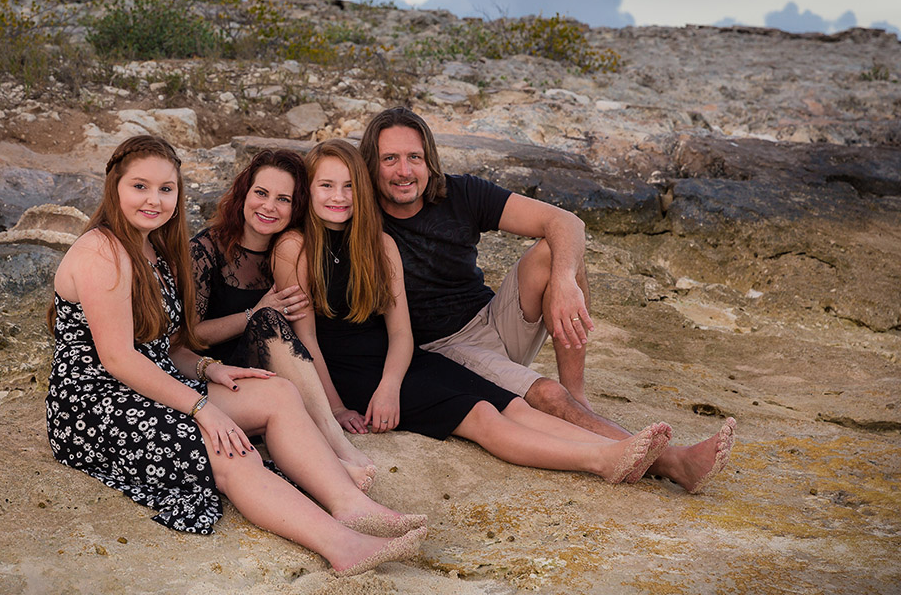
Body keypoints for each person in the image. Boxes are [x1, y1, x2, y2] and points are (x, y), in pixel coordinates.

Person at [45, 135, 426, 577]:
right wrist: (202, 408)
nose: (154, 200)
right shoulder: (102, 250)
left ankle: (350, 505)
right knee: (233, 450)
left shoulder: (154, 248)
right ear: (114, 187)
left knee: (278, 393)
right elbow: (120, 360)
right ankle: (343, 546)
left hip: (150, 387)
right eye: (140, 187)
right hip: (95, 406)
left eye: (166, 189)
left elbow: (164, 347)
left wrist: (210, 368)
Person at [359, 107, 736, 493]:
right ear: (371, 164)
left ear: (429, 161)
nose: (404, 171)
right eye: (390, 159)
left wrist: (564, 281)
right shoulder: (363, 219)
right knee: (547, 395)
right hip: (447, 348)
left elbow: (567, 222)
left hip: (493, 317)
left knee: (557, 252)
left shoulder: (460, 192)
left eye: (414, 157)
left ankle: (577, 396)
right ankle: (674, 463)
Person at [272, 138, 672, 484]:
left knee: (512, 405)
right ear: (309, 190)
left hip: (402, 363)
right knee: (482, 417)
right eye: (326, 185)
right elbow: (305, 342)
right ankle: (600, 459)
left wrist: (391, 383)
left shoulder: (379, 245)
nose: (339, 196)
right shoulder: (295, 248)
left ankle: (617, 447)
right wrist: (337, 408)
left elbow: (401, 332)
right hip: (350, 377)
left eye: (349, 186)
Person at [189, 149, 377, 489]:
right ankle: (333, 447)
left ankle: (329, 444)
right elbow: (188, 337)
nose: (269, 207)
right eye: (261, 193)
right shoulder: (205, 250)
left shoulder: (290, 249)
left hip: (273, 379)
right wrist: (253, 313)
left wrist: (337, 407)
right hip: (216, 380)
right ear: (244, 193)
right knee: (267, 319)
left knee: (271, 322)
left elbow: (305, 336)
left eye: (283, 199)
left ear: (296, 206)